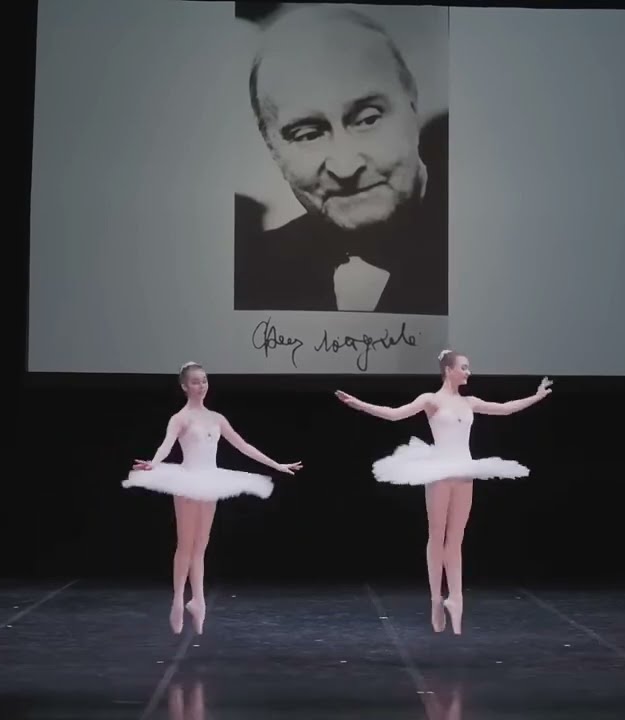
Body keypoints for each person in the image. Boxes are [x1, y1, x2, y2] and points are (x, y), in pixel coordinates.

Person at [235, 5, 447, 315]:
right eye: (308, 134)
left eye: (367, 119)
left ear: (412, 104)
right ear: (272, 147)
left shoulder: (472, 250)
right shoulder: (253, 275)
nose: (345, 168)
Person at [335, 350, 550, 634]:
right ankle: (436, 599)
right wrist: (360, 405)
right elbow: (394, 414)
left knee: (456, 540)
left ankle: (457, 599)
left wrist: (536, 396)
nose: (468, 372)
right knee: (437, 536)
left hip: (463, 470)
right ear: (449, 370)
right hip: (438, 472)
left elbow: (505, 407)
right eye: (464, 367)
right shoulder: (431, 400)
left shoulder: (470, 402)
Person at [124, 362, 303, 635]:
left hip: (210, 479)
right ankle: (176, 599)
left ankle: (198, 600)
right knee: (185, 543)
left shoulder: (217, 418)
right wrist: (154, 462)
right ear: (184, 386)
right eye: (195, 382)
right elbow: (166, 444)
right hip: (187, 478)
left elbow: (244, 446)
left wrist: (277, 465)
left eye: (204, 380)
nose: (201, 386)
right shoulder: (180, 418)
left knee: (201, 545)